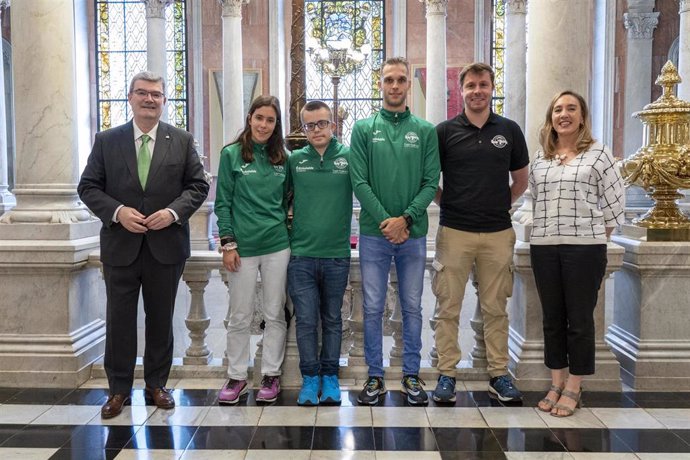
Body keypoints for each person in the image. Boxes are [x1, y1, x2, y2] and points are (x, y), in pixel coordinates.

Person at [78, 71, 210, 419]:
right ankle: (118, 390)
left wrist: (173, 212)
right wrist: (118, 212)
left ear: (164, 100)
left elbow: (197, 187)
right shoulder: (108, 140)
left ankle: (157, 385)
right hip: (121, 245)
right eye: (143, 93)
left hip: (166, 246)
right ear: (131, 97)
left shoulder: (181, 140)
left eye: (156, 94)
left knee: (160, 319)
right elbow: (88, 187)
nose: (149, 99)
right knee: (119, 320)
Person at [432, 62, 529, 404]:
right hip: (454, 231)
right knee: (448, 306)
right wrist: (452, 203)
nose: (477, 91)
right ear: (461, 91)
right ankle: (446, 374)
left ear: (491, 88)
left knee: (495, 307)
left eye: (483, 84)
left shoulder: (510, 130)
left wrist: (500, 205)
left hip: (497, 233)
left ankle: (499, 375)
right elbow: (431, 181)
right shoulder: (444, 132)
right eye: (471, 85)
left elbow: (521, 180)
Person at [350, 56, 440, 406]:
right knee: (372, 307)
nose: (395, 86)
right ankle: (375, 375)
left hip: (413, 234)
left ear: (408, 85)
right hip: (374, 234)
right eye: (389, 80)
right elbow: (359, 181)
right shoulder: (362, 129)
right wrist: (388, 221)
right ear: (380, 84)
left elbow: (431, 181)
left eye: (401, 79)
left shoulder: (425, 130)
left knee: (412, 306)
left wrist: (406, 219)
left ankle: (411, 375)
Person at [530, 90, 624, 417]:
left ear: (582, 116)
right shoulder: (542, 158)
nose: (564, 114)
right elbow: (533, 201)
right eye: (558, 109)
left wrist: (594, 238)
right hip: (544, 247)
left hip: (584, 249)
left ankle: (574, 385)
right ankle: (555, 382)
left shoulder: (598, 154)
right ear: (551, 118)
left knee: (580, 320)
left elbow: (614, 203)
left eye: (571, 108)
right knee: (552, 319)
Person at [215, 95, 290, 404]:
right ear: (249, 118)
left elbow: (289, 201)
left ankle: (270, 375)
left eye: (270, 120)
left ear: (276, 125)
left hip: (276, 246)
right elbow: (223, 203)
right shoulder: (231, 155)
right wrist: (228, 244)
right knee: (240, 314)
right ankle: (236, 377)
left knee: (275, 313)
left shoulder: (284, 158)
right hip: (242, 249)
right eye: (259, 117)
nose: (263, 124)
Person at [287, 100, 352, 406]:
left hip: (337, 255)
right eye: (310, 125)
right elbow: (279, 200)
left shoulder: (349, 158)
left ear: (333, 125)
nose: (317, 130)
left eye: (322, 123)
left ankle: (330, 378)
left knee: (332, 319)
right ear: (304, 129)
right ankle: (310, 378)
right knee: (306, 321)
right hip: (301, 255)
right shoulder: (295, 161)